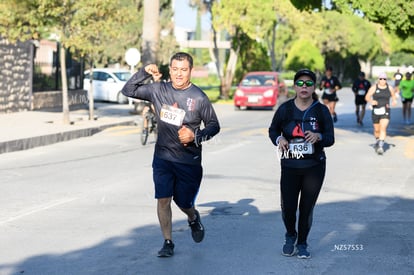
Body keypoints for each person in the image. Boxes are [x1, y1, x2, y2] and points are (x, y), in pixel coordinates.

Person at [121, 52, 220, 257]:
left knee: (183, 202)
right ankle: (168, 242)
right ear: (170, 69)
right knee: (163, 199)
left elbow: (214, 125)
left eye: (183, 70)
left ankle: (192, 217)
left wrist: (195, 135)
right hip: (163, 157)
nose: (179, 74)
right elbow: (128, 89)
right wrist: (143, 72)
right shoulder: (159, 90)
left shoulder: (199, 97)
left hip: (188, 160)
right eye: (175, 69)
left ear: (190, 71)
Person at [268, 69, 335, 259]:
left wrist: (319, 136)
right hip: (290, 166)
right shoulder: (285, 109)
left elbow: (330, 138)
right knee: (288, 207)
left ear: (314, 87)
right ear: (295, 86)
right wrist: (279, 138)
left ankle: (303, 243)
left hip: (314, 167)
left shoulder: (321, 110)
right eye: (300, 83)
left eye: (308, 84)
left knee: (306, 207)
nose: (304, 87)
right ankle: (290, 235)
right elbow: (272, 130)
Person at [365, 72, 397, 155]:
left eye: (384, 79)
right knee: (377, 130)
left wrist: (394, 101)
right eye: (381, 79)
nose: (382, 80)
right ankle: (378, 141)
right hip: (376, 110)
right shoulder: (374, 87)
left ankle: (380, 146)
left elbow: (393, 95)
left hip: (385, 110)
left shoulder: (389, 87)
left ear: (386, 80)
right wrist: (372, 101)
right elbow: (367, 97)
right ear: (378, 79)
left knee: (383, 128)